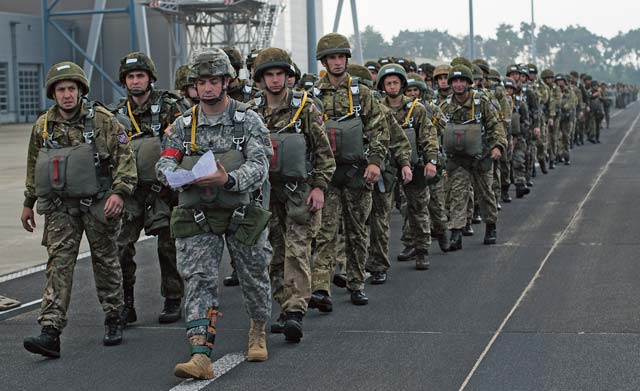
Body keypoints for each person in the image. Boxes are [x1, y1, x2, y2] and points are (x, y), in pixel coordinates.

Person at [156, 48, 272, 379]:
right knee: (198, 280)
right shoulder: (182, 126)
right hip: (197, 214)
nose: (207, 88)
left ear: (226, 82)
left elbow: (261, 163)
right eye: (201, 82)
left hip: (241, 210)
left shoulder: (248, 120)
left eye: (214, 81)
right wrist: (175, 176)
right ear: (194, 86)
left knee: (254, 275)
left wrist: (230, 179)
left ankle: (258, 330)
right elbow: (165, 160)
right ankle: (200, 352)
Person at [22, 62, 137, 357]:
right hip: (61, 207)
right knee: (58, 265)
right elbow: (35, 167)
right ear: (53, 93)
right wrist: (28, 204)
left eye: (71, 88)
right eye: (61, 89)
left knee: (106, 260)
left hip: (98, 202)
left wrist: (120, 193)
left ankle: (114, 316)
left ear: (81, 91)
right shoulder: (44, 125)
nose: (67, 95)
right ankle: (51, 331)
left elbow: (125, 159)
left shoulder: (103, 120)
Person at [249, 48, 335, 343]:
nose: (275, 81)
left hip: (301, 191)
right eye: (269, 75)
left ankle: (296, 311)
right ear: (260, 79)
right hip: (266, 193)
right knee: (274, 253)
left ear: (289, 77)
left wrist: (320, 187)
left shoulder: (306, 109)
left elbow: (324, 154)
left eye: (280, 75)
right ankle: (285, 308)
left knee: (298, 251)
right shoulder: (251, 112)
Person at [310, 33, 389, 307]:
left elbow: (379, 129)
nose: (337, 62)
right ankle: (321, 287)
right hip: (327, 174)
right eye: (332, 57)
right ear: (324, 61)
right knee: (325, 231)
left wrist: (375, 162)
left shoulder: (362, 93)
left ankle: (356, 282)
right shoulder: (313, 96)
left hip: (357, 172)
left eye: (341, 56)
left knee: (357, 230)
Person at [111, 52, 184, 325]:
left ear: (150, 78)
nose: (135, 81)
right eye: (130, 77)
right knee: (120, 246)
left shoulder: (170, 107)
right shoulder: (117, 113)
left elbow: (185, 140)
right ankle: (125, 303)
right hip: (130, 191)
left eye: (140, 75)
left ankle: (173, 298)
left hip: (163, 190)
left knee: (169, 245)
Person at [377, 63, 439, 270]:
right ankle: (380, 260)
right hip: (386, 168)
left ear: (402, 84)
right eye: (388, 83)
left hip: (415, 165)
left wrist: (431, 161)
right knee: (381, 213)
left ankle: (421, 250)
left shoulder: (417, 109)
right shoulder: (377, 109)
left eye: (395, 82)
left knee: (418, 208)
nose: (392, 87)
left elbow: (429, 137)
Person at [439, 65, 507, 249]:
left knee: (486, 193)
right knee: (457, 194)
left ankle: (491, 225)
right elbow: (436, 131)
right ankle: (456, 232)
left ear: (469, 83)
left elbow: (496, 126)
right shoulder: (445, 106)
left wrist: (497, 146)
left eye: (462, 81)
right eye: (455, 81)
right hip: (458, 158)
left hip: (481, 155)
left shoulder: (482, 102)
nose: (458, 85)